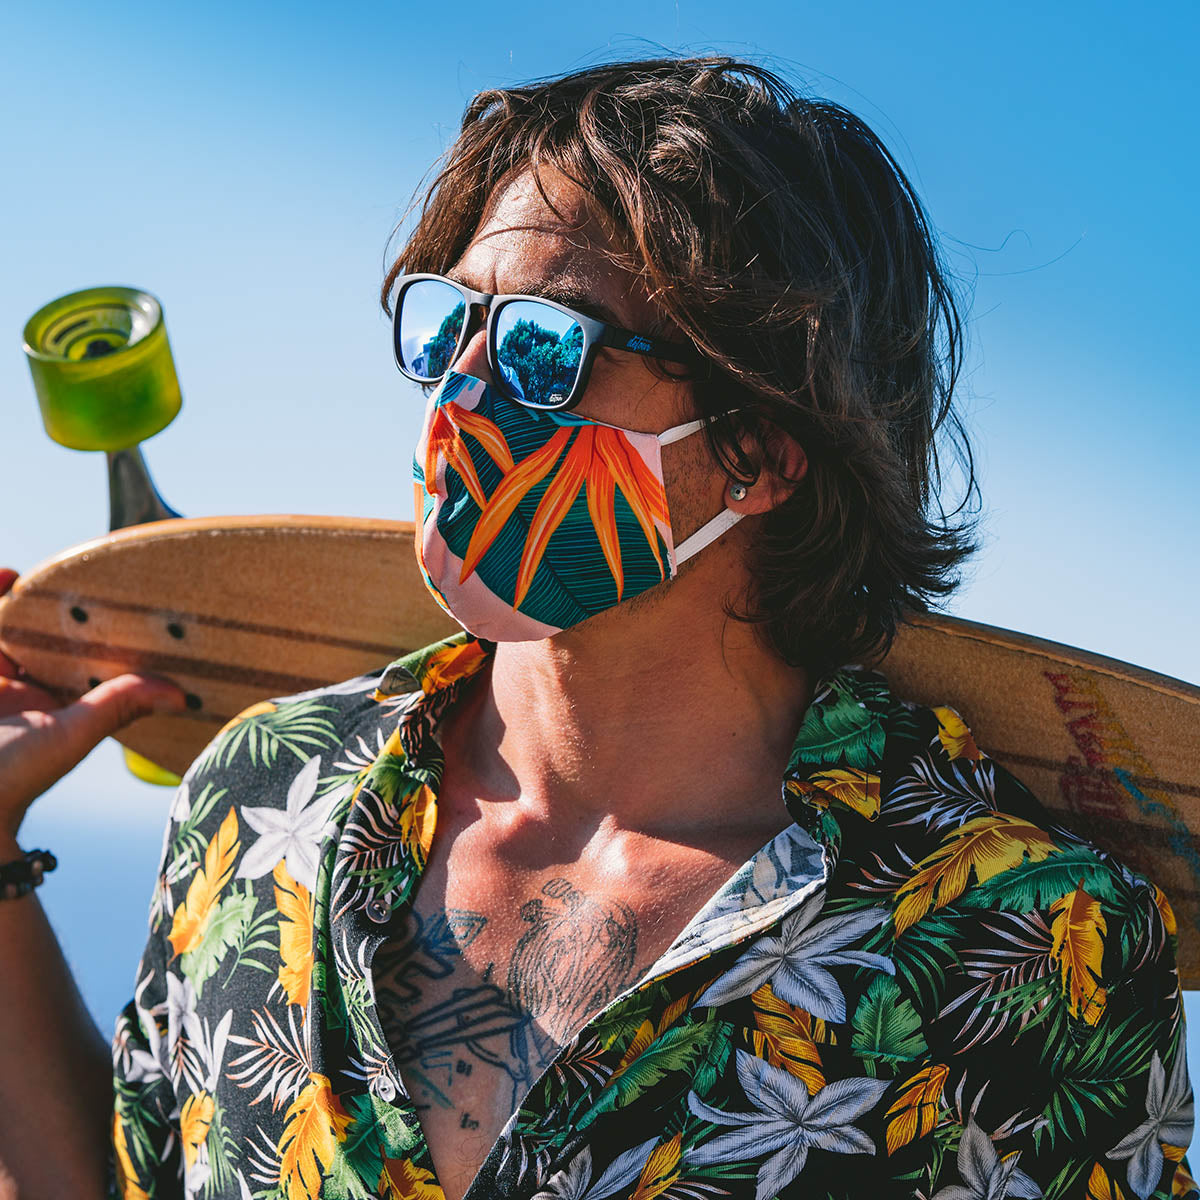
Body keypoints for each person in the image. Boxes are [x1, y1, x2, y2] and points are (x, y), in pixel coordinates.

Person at [0, 57, 1193, 1200]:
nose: (461, 394)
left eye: (544, 346)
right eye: (448, 327)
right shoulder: (264, 793)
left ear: (762, 449)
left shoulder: (1024, 937)